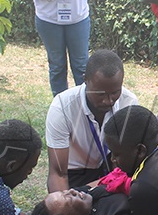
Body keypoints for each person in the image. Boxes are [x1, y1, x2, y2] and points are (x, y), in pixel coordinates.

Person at [45, 49, 138, 193]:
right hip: (76, 173)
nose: (108, 101)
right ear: (85, 80)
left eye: (115, 92)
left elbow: (126, 167)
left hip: (114, 169)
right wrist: (64, 207)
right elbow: (58, 173)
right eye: (100, 93)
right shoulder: (62, 107)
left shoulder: (129, 103)